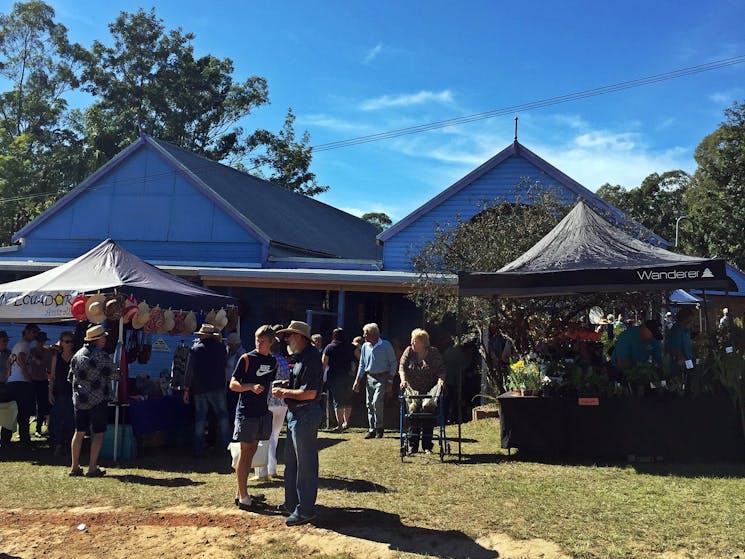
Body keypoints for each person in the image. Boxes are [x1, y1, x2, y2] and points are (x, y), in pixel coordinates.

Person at [273, 320, 322, 526]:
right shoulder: (301, 357)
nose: (286, 339)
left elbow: (310, 392)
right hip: (297, 414)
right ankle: (291, 503)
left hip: (305, 414)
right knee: (291, 463)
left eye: (289, 336)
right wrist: (287, 385)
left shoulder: (311, 358)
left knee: (305, 464)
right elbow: (301, 384)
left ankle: (305, 510)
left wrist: (284, 392)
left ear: (300, 337)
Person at [229, 325, 277, 509]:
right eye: (257, 339)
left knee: (251, 453)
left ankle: (241, 493)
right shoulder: (246, 358)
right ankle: (243, 498)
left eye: (262, 340)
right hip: (246, 412)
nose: (258, 342)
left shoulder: (272, 362)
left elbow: (269, 384)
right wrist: (250, 386)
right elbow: (233, 384)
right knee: (245, 452)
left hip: (262, 412)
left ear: (271, 342)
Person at [69, 325, 116, 477]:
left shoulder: (76, 355)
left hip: (80, 400)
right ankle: (92, 467)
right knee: (98, 433)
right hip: (98, 399)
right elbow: (115, 375)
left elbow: (70, 377)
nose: (105, 339)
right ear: (98, 340)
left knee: (79, 432)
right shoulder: (102, 356)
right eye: (103, 337)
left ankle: (74, 467)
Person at [183, 323, 230, 457]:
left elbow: (189, 371)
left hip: (200, 388)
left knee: (200, 418)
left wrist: (186, 389)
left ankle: (198, 448)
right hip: (217, 387)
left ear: (202, 336)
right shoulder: (222, 348)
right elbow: (225, 367)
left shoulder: (195, 349)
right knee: (223, 416)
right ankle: (227, 446)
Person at [399, 329, 446, 454]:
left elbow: (441, 370)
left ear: (423, 343)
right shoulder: (409, 351)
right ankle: (412, 445)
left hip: (429, 389)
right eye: (412, 341)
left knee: (427, 411)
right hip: (412, 388)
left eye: (415, 341)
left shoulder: (433, 353)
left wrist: (441, 381)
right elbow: (402, 367)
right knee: (413, 412)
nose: (412, 343)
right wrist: (403, 380)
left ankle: (427, 445)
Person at [254, 327, 290, 482]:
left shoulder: (267, 361)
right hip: (282, 403)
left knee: (262, 436)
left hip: (268, 402)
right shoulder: (283, 361)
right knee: (274, 436)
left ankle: (262, 471)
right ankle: (272, 468)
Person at [353, 323, 397, 438]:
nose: (364, 336)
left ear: (373, 334)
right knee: (369, 404)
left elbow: (393, 362)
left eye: (366, 334)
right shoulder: (365, 347)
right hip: (369, 377)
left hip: (382, 377)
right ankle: (372, 429)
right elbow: (362, 364)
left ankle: (379, 428)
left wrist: (390, 380)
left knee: (377, 402)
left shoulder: (386, 345)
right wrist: (357, 381)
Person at [6, 324, 40, 446]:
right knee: (24, 413)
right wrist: (27, 376)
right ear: (26, 332)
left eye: (36, 332)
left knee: (10, 413)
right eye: (33, 332)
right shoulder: (25, 345)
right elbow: (20, 359)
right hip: (21, 383)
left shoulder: (17, 344)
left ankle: (5, 439)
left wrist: (9, 374)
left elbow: (9, 361)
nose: (35, 335)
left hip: (12, 382)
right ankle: (24, 440)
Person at [48, 331, 76, 456]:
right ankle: (58, 444)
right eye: (66, 341)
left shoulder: (76, 357)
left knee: (71, 420)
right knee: (57, 419)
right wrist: (50, 392)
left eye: (71, 341)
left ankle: (69, 444)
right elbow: (52, 376)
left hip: (72, 392)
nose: (69, 344)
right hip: (59, 392)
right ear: (62, 343)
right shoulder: (56, 357)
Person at [322, 328, 355, 432]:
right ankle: (346, 423)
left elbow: (324, 363)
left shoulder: (330, 347)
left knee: (338, 401)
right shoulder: (350, 347)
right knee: (348, 400)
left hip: (335, 377)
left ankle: (340, 425)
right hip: (348, 376)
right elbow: (358, 357)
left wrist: (322, 377)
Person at [29, 331, 53, 437]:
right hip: (32, 380)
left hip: (42, 380)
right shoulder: (31, 351)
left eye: (42, 341)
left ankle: (38, 428)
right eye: (39, 341)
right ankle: (26, 430)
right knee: (29, 405)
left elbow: (45, 364)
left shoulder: (47, 352)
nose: (40, 343)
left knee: (42, 406)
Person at [225, 332, 246, 426]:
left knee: (234, 406)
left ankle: (234, 426)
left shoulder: (241, 355)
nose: (228, 346)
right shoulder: (229, 353)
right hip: (227, 383)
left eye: (230, 344)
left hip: (237, 385)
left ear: (235, 344)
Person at [0, 331, 12, 447]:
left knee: (7, 412)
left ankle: (5, 440)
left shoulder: (9, 353)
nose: (6, 343)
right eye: (4, 340)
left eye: (6, 340)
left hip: (5, 385)